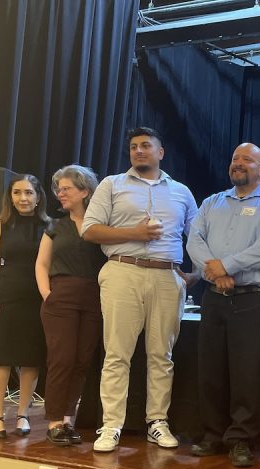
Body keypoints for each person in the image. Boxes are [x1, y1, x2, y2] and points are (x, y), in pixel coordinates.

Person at [81, 127, 198, 452]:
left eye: (146, 146)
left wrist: (195, 273)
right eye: (134, 147)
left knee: (162, 355)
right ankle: (111, 426)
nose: (139, 151)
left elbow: (200, 235)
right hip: (122, 271)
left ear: (161, 153)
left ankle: (157, 422)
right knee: (117, 354)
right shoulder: (112, 184)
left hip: (166, 276)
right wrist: (135, 233)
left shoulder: (181, 192)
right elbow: (89, 230)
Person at [186, 143, 260, 468]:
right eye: (235, 159)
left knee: (248, 373)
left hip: (254, 300)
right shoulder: (211, 202)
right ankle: (213, 434)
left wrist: (226, 266)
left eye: (248, 159)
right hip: (215, 298)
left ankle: (242, 439)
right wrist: (214, 272)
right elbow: (193, 240)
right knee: (211, 370)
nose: (239, 164)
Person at [35, 165, 106, 446]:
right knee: (62, 359)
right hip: (60, 296)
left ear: (84, 191)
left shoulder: (101, 226)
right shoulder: (55, 225)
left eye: (66, 189)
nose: (60, 194)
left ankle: (67, 420)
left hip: (94, 297)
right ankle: (54, 421)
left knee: (81, 361)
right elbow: (41, 264)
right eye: (58, 189)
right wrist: (47, 294)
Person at [0, 175, 51, 438]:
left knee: (31, 357)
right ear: (10, 196)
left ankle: (23, 413)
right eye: (17, 193)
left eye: (29, 193)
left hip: (36, 296)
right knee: (0, 355)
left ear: (38, 197)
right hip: (6, 295)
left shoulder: (49, 226)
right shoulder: (0, 225)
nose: (23, 198)